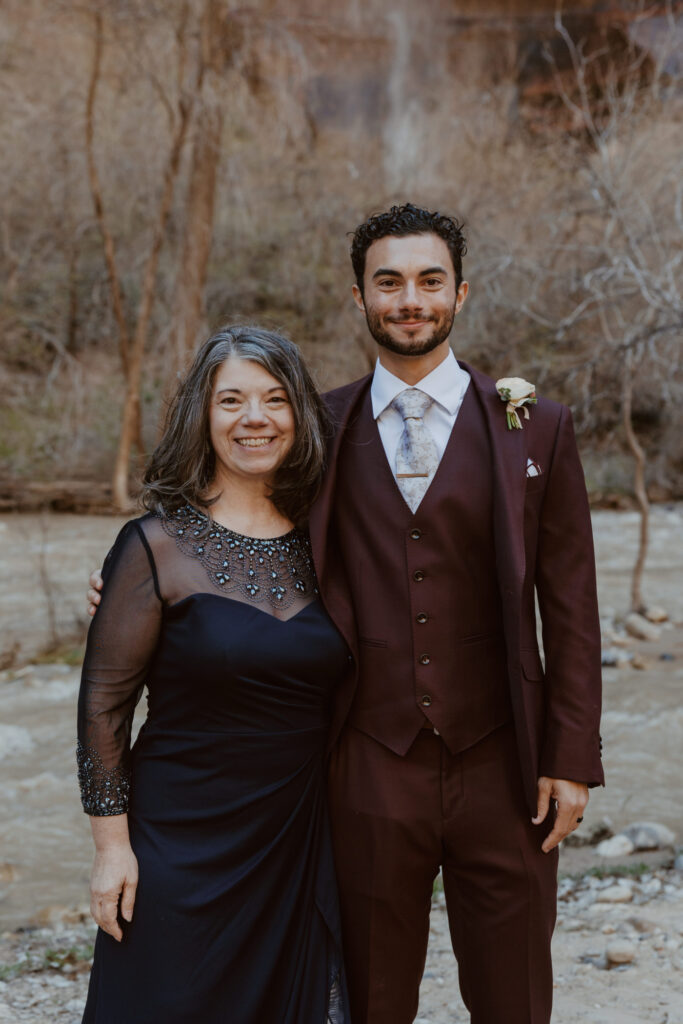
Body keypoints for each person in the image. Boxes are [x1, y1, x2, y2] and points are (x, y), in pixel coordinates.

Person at [89, 203, 604, 1024]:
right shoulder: (311, 428)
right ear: (356, 298)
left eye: (429, 281)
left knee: (515, 1000)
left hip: (505, 766)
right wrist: (131, 581)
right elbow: (232, 525)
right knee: (369, 1000)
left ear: (460, 293)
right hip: (366, 765)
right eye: (388, 282)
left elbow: (571, 604)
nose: (410, 299)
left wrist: (571, 757)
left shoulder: (533, 427)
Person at [77, 325, 350, 1024]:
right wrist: (112, 848)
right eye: (230, 400)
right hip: (177, 837)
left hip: (293, 835)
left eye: (274, 399)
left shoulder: (333, 542)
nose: (253, 418)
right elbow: (105, 705)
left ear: (299, 416)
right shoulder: (154, 546)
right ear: (203, 414)